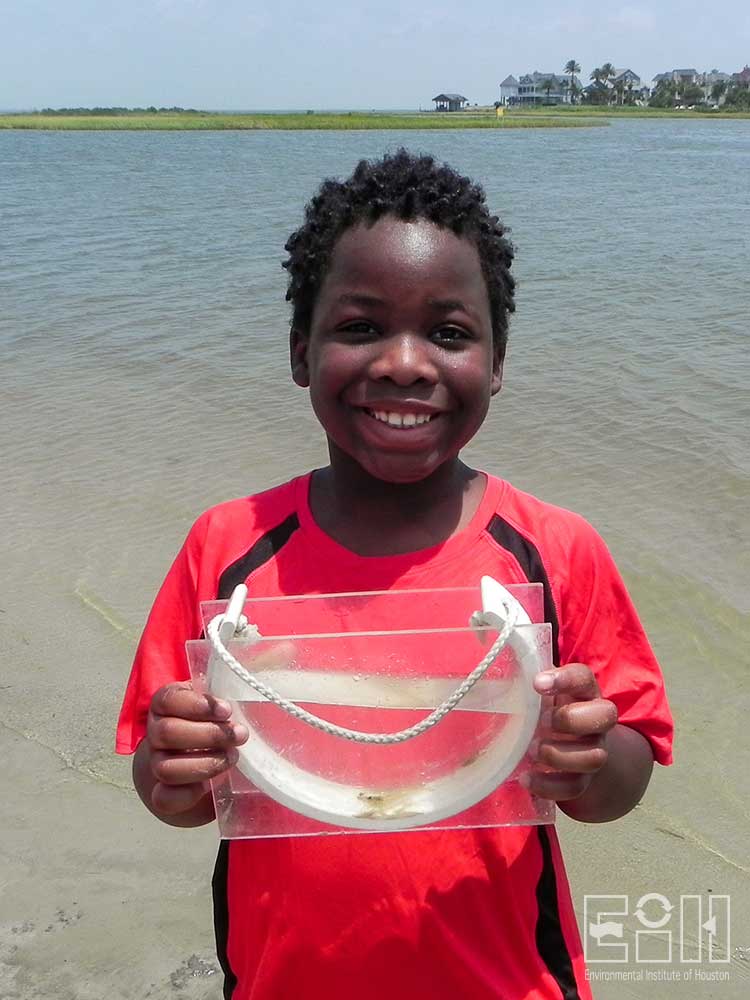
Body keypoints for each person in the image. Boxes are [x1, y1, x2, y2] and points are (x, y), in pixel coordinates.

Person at [117, 149, 673, 1000]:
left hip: (504, 981)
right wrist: (170, 766)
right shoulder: (225, 547)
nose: (405, 364)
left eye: (449, 333)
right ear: (302, 351)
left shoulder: (555, 547)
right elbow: (176, 792)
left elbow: (624, 772)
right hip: (281, 980)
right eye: (361, 326)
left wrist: (588, 762)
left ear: (496, 360)